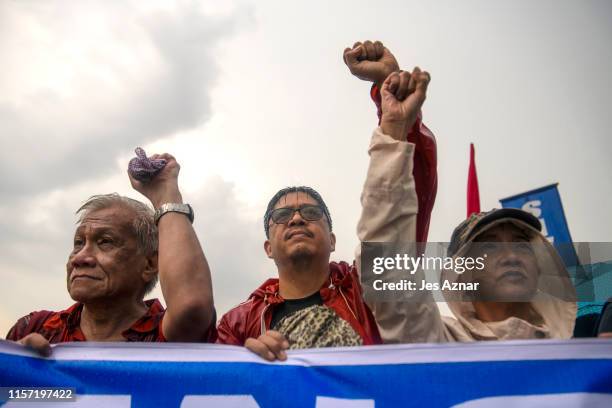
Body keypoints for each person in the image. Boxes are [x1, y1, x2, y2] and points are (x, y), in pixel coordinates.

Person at [216, 63, 433, 360]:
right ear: (268, 248)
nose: (296, 218)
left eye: (310, 212)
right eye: (282, 217)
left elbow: (405, 207)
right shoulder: (237, 325)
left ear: (332, 241)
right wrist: (245, 364)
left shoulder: (367, 291)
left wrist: (395, 123)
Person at [6, 153, 216, 355]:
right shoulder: (36, 328)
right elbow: (10, 393)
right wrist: (18, 372)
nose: (80, 258)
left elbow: (191, 306)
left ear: (150, 265)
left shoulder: (163, 337)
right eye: (78, 243)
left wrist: (165, 194)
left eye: (105, 242)